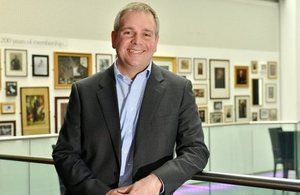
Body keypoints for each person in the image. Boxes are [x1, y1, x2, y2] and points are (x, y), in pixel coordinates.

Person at [52, 2, 209, 195]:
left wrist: (156, 181)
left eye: (146, 34)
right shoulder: (84, 91)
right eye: (128, 32)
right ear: (113, 38)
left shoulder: (179, 89)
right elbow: (65, 154)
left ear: (156, 41)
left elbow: (196, 151)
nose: (137, 41)